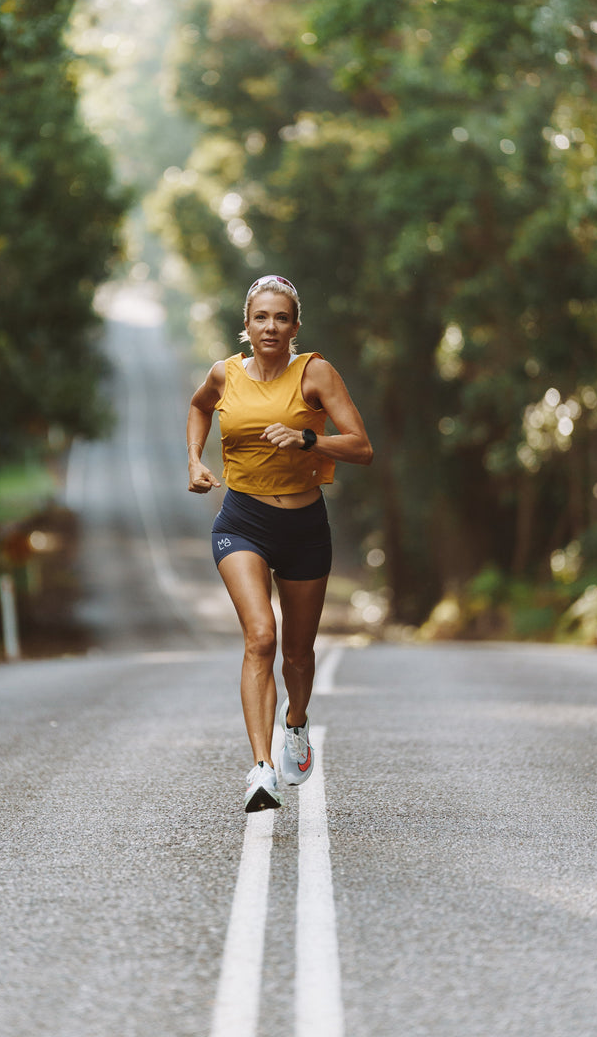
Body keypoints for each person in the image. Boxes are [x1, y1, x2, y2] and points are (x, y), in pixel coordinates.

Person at [186, 274, 373, 812]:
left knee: (296, 651)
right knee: (261, 637)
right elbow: (200, 407)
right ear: (246, 325)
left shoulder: (315, 373)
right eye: (261, 317)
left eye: (281, 318)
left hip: (305, 526)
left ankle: (295, 725)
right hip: (241, 520)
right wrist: (196, 460)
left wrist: (308, 437)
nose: (271, 327)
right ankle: (262, 769)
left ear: (295, 326)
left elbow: (361, 448)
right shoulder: (224, 375)